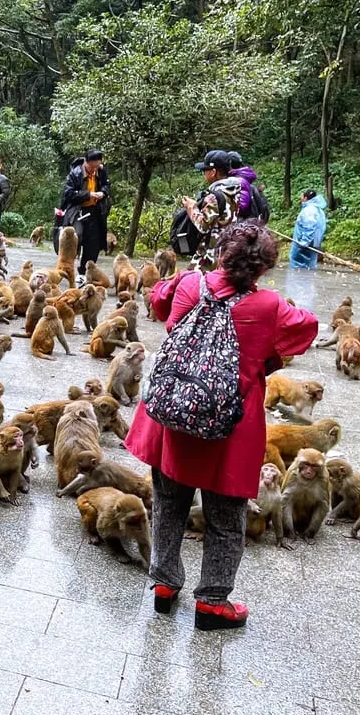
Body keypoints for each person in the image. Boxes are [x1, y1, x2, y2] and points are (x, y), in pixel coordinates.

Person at [125, 221, 318, 630]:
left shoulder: (190, 284)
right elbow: (306, 327)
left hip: (174, 412)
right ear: (263, 267)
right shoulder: (269, 306)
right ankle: (212, 602)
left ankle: (164, 585)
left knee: (168, 504)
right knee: (227, 519)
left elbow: (159, 300)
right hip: (230, 426)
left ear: (220, 254)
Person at [183, 150, 238, 270]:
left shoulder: (214, 197)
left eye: (205, 170)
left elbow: (203, 226)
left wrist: (191, 207)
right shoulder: (234, 191)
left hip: (210, 255)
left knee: (191, 279)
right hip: (228, 249)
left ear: (213, 172)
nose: (204, 173)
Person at [60, 150, 110, 278]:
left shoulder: (101, 171)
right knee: (76, 238)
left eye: (96, 167)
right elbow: (69, 194)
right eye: (92, 167)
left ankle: (84, 272)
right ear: (86, 163)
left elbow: (106, 185)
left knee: (93, 244)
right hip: (77, 211)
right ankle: (66, 269)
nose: (94, 170)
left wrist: (103, 192)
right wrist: (88, 195)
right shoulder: (75, 173)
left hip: (94, 211)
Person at [289, 190, 327, 268]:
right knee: (310, 266)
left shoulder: (309, 210)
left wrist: (304, 243)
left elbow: (309, 227)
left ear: (305, 198)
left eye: (302, 197)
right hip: (314, 243)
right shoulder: (318, 210)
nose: (301, 199)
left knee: (298, 267)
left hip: (304, 245)